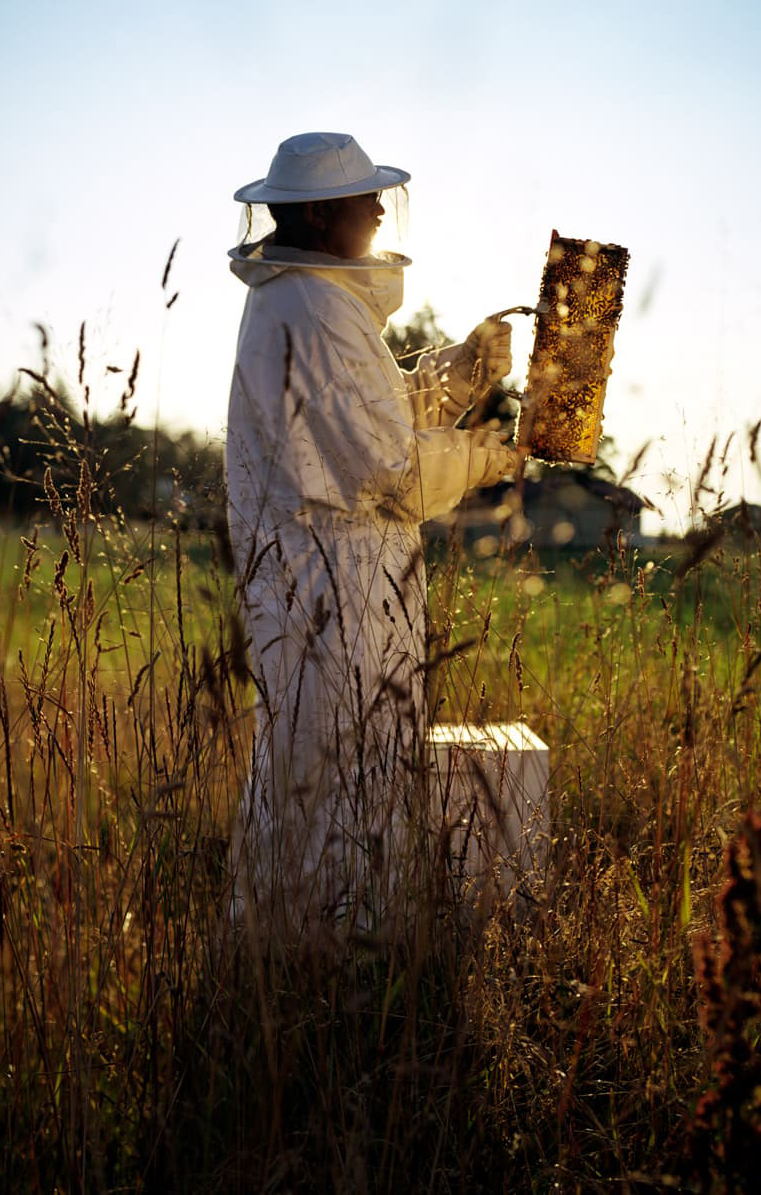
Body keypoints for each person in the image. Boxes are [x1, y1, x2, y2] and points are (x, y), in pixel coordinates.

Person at [225, 131, 516, 940]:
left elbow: (362, 424)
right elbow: (389, 471)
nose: (381, 210)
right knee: (338, 784)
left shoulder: (302, 301)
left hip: (325, 581)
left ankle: (296, 961)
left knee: (322, 777)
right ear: (320, 214)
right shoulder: (312, 309)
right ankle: (329, 963)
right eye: (365, 197)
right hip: (334, 591)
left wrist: (464, 370)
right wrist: (489, 456)